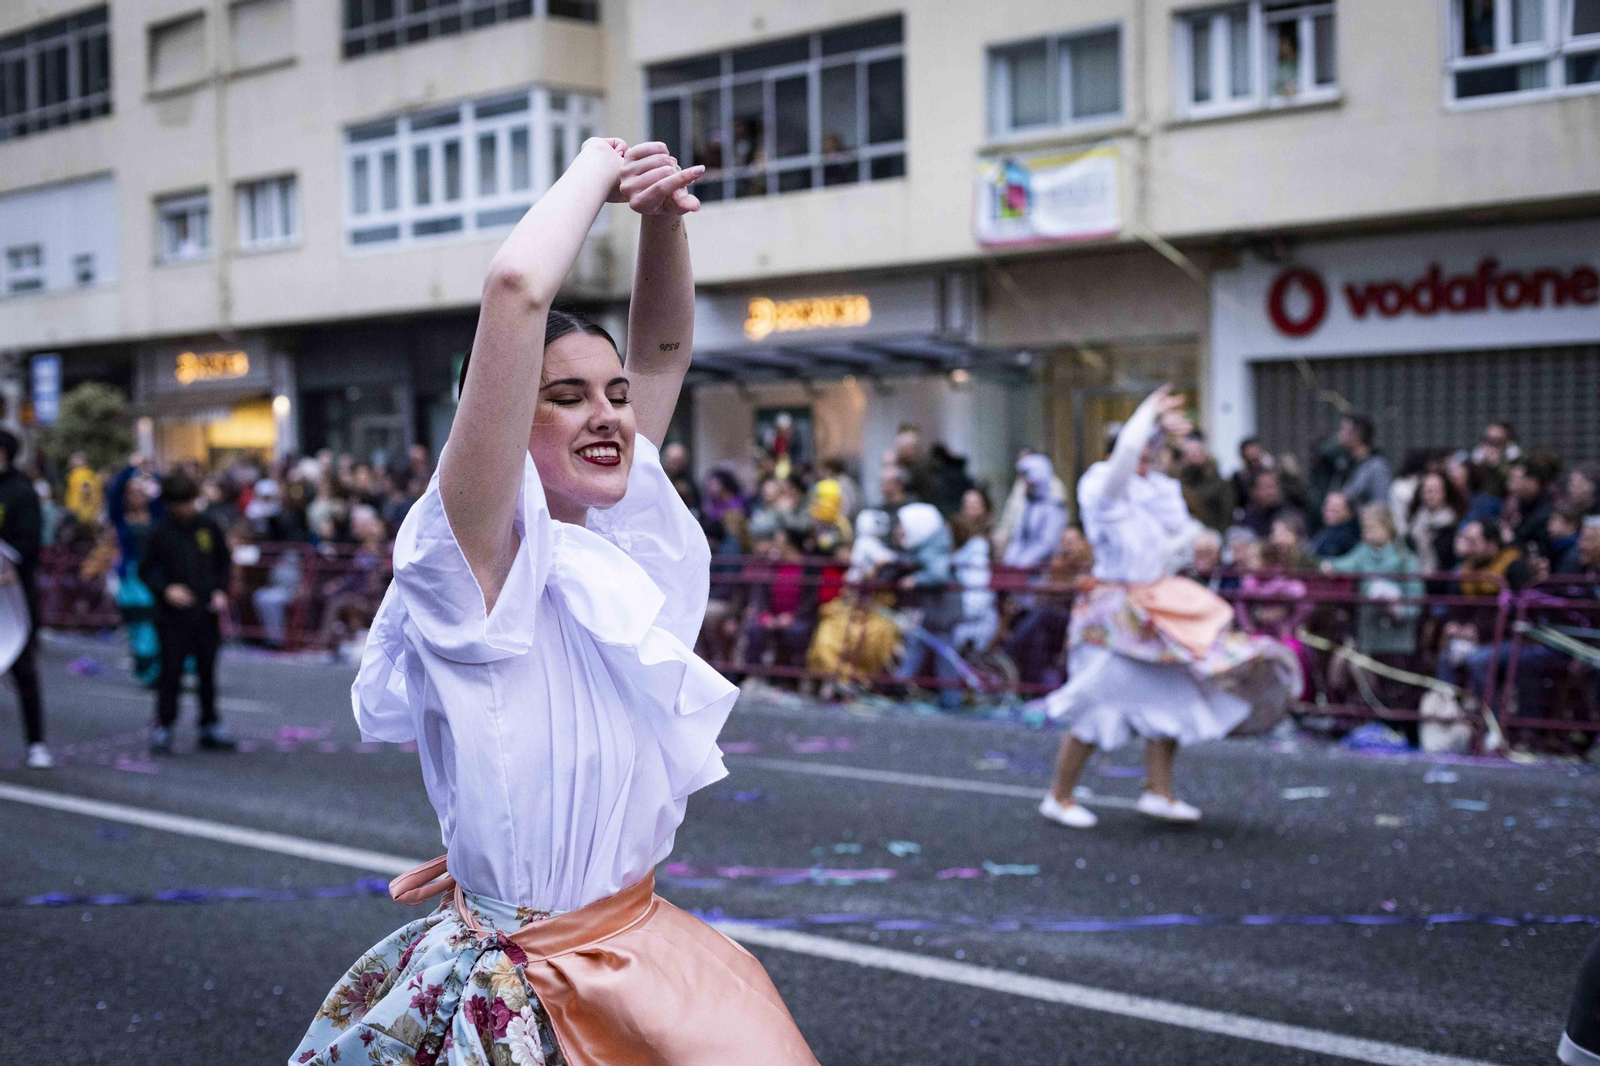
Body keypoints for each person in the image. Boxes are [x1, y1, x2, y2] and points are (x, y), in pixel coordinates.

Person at [294, 138, 817, 1066]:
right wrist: (598, 164)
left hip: (637, 945)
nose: (610, 414)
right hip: (526, 982)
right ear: (500, 424)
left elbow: (660, 348)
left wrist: (661, 220)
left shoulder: (608, 536)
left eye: (613, 396)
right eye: (566, 397)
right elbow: (514, 290)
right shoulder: (470, 565)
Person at [1038, 386, 1300, 829]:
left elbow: (1183, 535)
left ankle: (1158, 792)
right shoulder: (1101, 488)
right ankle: (1058, 797)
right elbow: (1123, 462)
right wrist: (1149, 415)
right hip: (1114, 614)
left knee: (1172, 692)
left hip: (1155, 611)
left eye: (1153, 452)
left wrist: (1205, 541)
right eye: (1144, 450)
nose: (1148, 459)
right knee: (1097, 702)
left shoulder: (1155, 492)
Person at [140, 472, 236, 755]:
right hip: (172, 615)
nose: (187, 509)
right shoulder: (159, 531)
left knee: (208, 671)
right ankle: (164, 725)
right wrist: (166, 590)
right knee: (171, 671)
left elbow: (223, 562)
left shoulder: (209, 526)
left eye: (190, 502)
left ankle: (209, 724)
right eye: (180, 503)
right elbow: (145, 570)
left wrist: (220, 590)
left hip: (206, 611)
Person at [0, 432, 49, 768]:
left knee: (23, 669)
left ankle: (36, 742)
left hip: (12, 595)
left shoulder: (21, 492)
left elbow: (29, 542)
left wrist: (10, 566)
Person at [1176, 430, 1234, 533]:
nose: (1192, 458)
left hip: (1210, 538)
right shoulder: (1177, 484)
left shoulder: (1219, 484)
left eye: (1196, 453)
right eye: (1188, 454)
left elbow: (1226, 516)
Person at [1334, 414, 1392, 510]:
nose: (1339, 434)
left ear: (1358, 434)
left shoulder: (1377, 467)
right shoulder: (1344, 464)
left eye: (1343, 429)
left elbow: (1382, 506)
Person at [1309, 491, 1359, 558]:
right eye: (1327, 505)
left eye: (1335, 507)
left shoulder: (1348, 537)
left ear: (1348, 512)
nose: (1329, 509)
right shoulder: (1326, 530)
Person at [64, 450, 104, 527]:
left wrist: (78, 511)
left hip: (78, 513)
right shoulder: (92, 475)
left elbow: (86, 491)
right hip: (91, 513)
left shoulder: (78, 475)